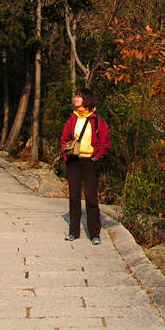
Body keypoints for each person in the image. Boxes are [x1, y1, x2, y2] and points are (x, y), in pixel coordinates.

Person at [60, 87, 111, 245]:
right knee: (74, 197)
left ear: (86, 100)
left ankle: (94, 233)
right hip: (74, 161)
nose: (75, 99)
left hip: (90, 162)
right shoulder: (73, 118)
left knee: (91, 198)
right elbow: (64, 138)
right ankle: (73, 232)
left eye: (78, 97)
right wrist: (66, 155)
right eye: (75, 97)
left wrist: (97, 157)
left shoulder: (97, 120)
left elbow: (105, 142)